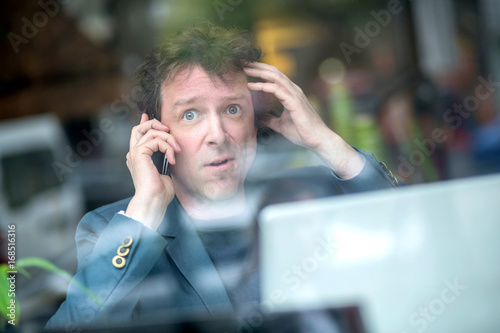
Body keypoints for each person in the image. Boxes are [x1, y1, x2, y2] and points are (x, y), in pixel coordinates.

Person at [46, 23, 399, 330]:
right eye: (190, 115)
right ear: (155, 131)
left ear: (254, 120)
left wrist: (326, 141)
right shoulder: (111, 229)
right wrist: (145, 211)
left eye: (232, 109)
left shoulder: (304, 198)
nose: (217, 134)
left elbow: (406, 231)